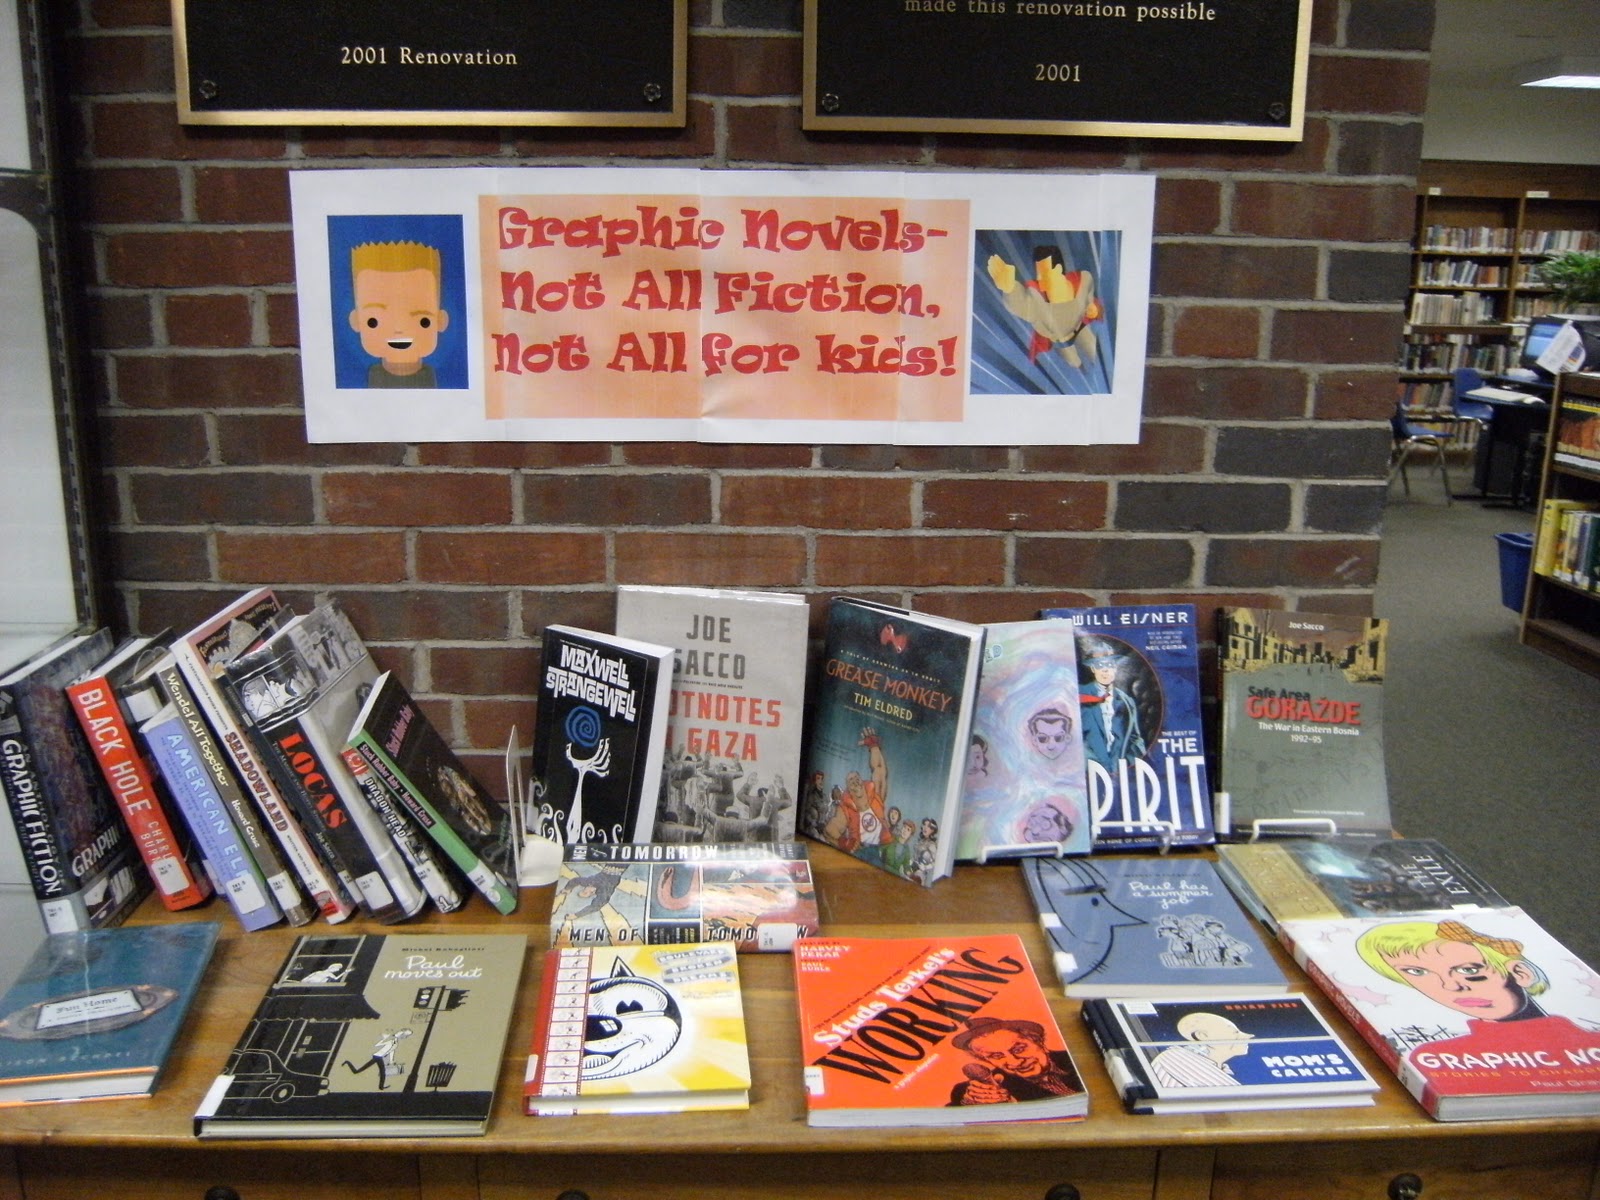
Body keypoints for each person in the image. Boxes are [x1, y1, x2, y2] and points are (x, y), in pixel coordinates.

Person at [1355, 917, 1600, 1061]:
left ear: (1520, 974)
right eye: (1417, 972)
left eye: (1469, 970)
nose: (1451, 986)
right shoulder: (1436, 1057)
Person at [348, 240, 450, 388]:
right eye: (373, 321)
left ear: (441, 321)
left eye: (423, 321)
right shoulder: (373, 376)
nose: (399, 329)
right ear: (356, 321)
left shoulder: (429, 377)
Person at [985, 245, 1102, 369]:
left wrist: (1092, 308)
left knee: (1094, 351)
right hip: (1061, 341)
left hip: (1080, 328)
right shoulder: (1037, 302)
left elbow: (1089, 293)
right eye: (1038, 273)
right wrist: (1009, 288)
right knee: (1076, 366)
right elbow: (1020, 304)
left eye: (1044, 273)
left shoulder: (1082, 281)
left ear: (1058, 269)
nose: (1039, 278)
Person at [947, 1017, 1082, 1106]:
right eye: (997, 1056)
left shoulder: (1075, 1057)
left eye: (1018, 1049)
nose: (1015, 1062)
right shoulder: (979, 1090)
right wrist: (970, 1104)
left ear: (1037, 1041)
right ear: (985, 1059)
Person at [1077, 637, 1146, 772]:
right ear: (1093, 669)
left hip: (1118, 773)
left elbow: (1136, 740)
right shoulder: (1079, 695)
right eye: (1100, 666)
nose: (1105, 670)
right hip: (1087, 773)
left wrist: (1126, 765)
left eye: (1109, 665)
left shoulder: (1126, 701)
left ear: (1115, 668)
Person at [1149, 1011, 1253, 1088]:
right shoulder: (1175, 1057)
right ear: (1203, 1036)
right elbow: (1235, 1094)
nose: (1248, 1036)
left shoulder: (1222, 1070)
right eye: (1234, 1032)